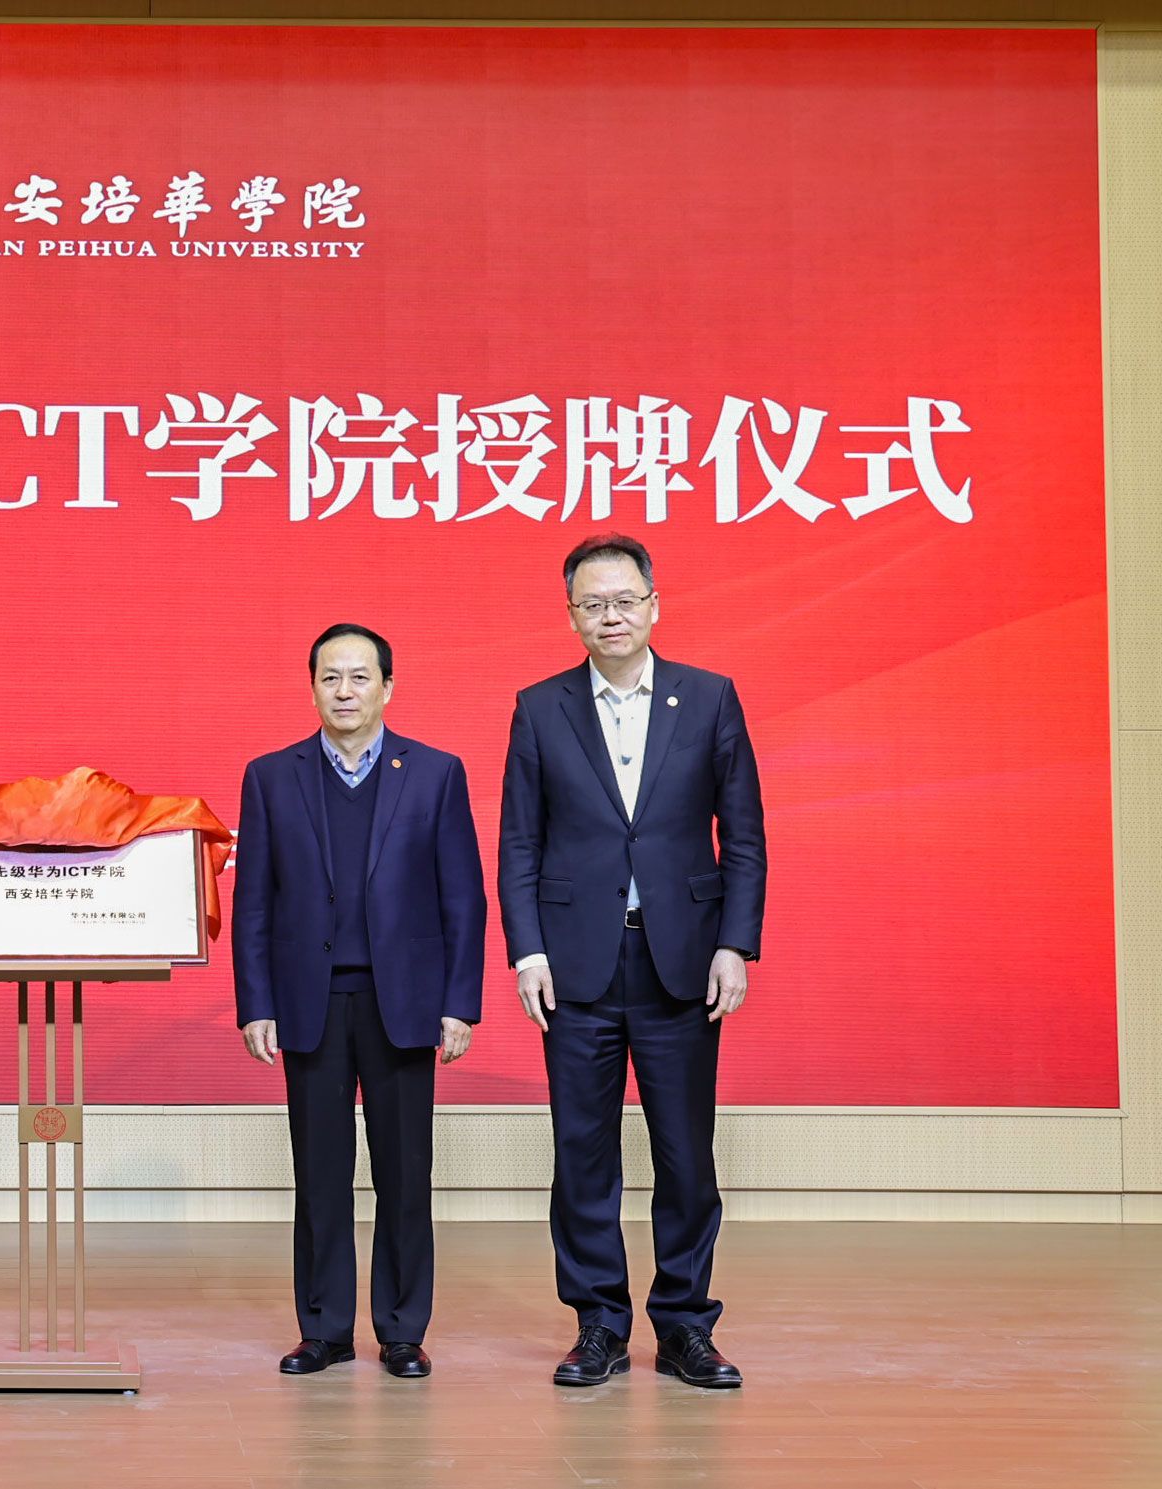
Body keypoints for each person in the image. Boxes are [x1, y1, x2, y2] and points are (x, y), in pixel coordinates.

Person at [497, 534, 767, 1390]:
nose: (610, 615)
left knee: (685, 1152)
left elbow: (744, 836)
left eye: (624, 600)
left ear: (654, 604)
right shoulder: (540, 707)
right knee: (582, 1151)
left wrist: (735, 943)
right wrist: (528, 950)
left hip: (680, 960)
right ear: (571, 615)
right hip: (576, 964)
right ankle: (599, 1324)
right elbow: (519, 842)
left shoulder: (710, 697)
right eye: (592, 603)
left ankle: (685, 1323)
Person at [233, 623, 487, 1380]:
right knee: (319, 1174)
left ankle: (402, 1330)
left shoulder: (435, 773)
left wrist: (459, 1003)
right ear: (312, 687)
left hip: (402, 1001)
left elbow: (463, 897)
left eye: (360, 677)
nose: (345, 691)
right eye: (330, 678)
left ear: (388, 687)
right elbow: (253, 903)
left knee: (405, 1174)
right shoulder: (271, 776)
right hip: (309, 1001)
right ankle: (324, 1328)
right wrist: (255, 1003)